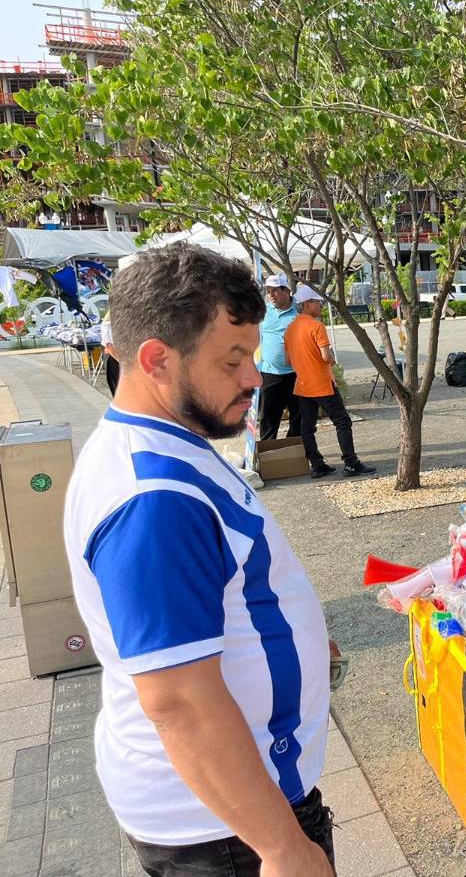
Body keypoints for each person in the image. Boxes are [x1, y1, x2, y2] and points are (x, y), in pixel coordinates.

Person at [63, 243, 336, 877]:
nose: (254, 378)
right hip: (227, 831)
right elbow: (179, 701)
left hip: (229, 812)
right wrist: (284, 848)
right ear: (157, 359)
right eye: (232, 361)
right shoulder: (152, 500)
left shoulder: (169, 440)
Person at [285, 284, 376, 478]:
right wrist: (332, 356)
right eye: (318, 303)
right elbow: (326, 356)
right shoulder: (316, 326)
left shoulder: (290, 329)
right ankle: (351, 463)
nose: (321, 306)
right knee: (342, 422)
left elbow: (287, 360)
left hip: (302, 386)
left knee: (307, 428)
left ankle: (317, 465)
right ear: (307, 304)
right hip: (322, 384)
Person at [258, 274, 301, 442]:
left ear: (287, 291)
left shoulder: (299, 311)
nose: (271, 295)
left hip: (295, 374)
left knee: (299, 416)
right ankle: (268, 455)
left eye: (275, 291)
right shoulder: (263, 312)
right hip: (269, 373)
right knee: (269, 417)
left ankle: (292, 452)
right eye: (268, 292)